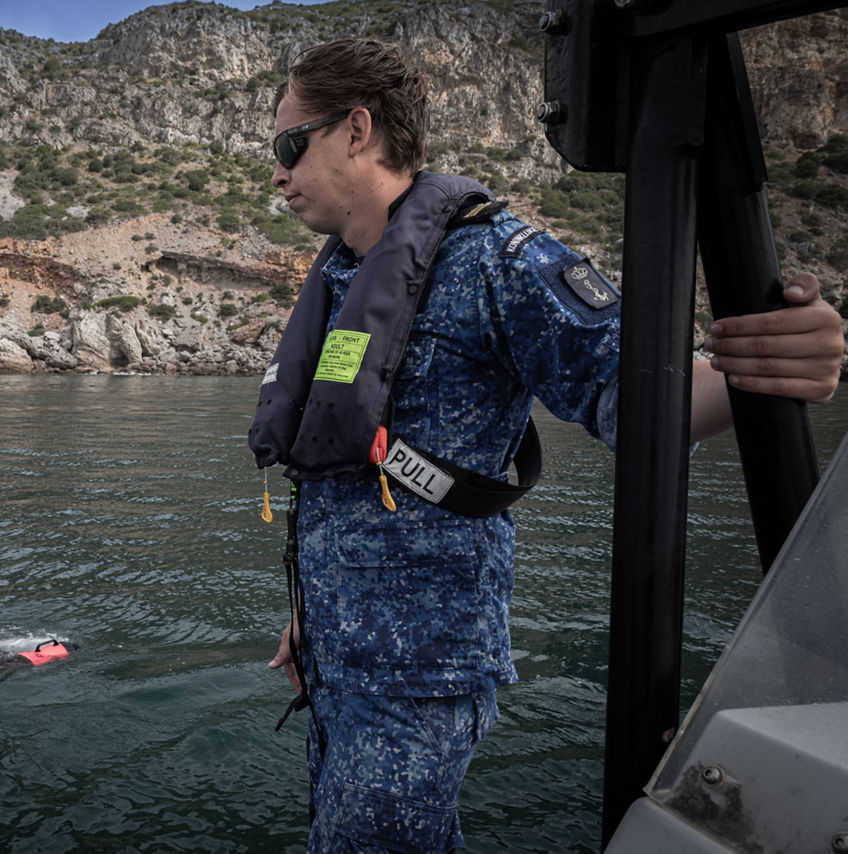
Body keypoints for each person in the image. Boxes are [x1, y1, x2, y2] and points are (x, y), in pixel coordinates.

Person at [247, 39, 844, 853]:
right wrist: (309, 612)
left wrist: (762, 369)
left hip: (420, 669)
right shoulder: (345, 278)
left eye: (289, 146)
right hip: (334, 656)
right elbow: (349, 476)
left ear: (357, 131)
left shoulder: (497, 260)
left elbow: (637, 395)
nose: (276, 173)